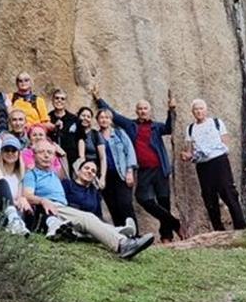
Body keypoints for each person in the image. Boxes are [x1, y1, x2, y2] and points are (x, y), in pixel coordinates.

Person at [23, 140, 154, 259]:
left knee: (88, 224)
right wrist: (43, 201)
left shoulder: (53, 174)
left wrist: (62, 155)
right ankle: (122, 244)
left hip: (62, 210)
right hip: (51, 209)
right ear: (34, 155)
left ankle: (119, 233)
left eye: (50, 153)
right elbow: (27, 195)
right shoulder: (32, 174)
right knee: (87, 218)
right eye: (41, 152)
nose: (46, 156)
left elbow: (63, 167)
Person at [93, 85, 182, 242]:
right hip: (143, 170)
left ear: (150, 110)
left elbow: (169, 128)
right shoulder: (130, 125)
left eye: (145, 108)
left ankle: (167, 236)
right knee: (142, 198)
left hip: (160, 169)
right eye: (140, 108)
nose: (142, 111)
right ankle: (175, 223)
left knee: (164, 202)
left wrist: (171, 110)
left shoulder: (156, 126)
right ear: (136, 111)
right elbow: (113, 115)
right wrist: (99, 99)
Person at [182, 99, 246, 231]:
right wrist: (187, 155)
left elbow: (225, 141)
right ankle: (218, 228)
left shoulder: (216, 123)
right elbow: (189, 150)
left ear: (206, 110)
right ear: (192, 112)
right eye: (196, 109)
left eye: (201, 108)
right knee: (209, 196)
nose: (199, 111)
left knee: (228, 191)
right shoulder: (190, 129)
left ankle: (240, 225)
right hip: (202, 165)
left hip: (219, 161)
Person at [63, 159, 138, 240]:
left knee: (97, 224)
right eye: (86, 168)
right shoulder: (67, 184)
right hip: (72, 220)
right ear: (78, 171)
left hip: (90, 225)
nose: (89, 171)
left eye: (93, 171)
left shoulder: (94, 192)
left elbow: (98, 215)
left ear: (94, 176)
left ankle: (122, 233)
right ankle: (120, 231)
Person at [95, 107, 138, 226]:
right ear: (97, 120)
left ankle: (134, 233)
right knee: (113, 207)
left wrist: (130, 171)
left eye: (107, 117)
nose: (104, 120)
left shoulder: (119, 133)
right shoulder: (96, 136)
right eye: (101, 117)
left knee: (125, 204)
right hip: (106, 177)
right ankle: (121, 234)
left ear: (111, 120)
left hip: (121, 174)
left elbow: (130, 151)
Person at [0, 134, 34, 236]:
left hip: (8, 212)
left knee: (28, 207)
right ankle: (13, 220)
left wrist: (22, 199)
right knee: (2, 183)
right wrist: (15, 201)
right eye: (7, 150)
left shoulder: (20, 174)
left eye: (13, 150)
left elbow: (20, 197)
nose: (10, 153)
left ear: (18, 153)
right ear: (1, 153)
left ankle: (14, 224)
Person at [67, 106, 104, 172]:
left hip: (92, 170)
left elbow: (102, 158)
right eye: (83, 115)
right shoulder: (72, 132)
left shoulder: (95, 134)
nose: (85, 118)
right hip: (73, 168)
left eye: (88, 117)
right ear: (78, 116)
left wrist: (102, 175)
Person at [47, 88, 75, 154]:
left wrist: (81, 156)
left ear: (66, 102)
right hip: (52, 155)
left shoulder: (74, 119)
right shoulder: (47, 118)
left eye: (62, 99)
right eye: (57, 98)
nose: (59, 100)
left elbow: (80, 138)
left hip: (71, 156)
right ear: (52, 100)